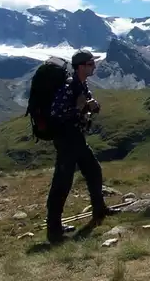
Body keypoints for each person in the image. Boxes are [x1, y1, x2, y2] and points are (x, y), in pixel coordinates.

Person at [46, 49, 117, 243]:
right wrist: (78, 108)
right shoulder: (69, 86)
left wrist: (92, 107)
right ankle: (53, 229)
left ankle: (99, 209)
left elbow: (87, 107)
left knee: (94, 171)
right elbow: (56, 113)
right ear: (81, 66)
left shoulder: (82, 85)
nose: (94, 67)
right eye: (91, 64)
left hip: (76, 137)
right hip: (66, 139)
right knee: (62, 182)